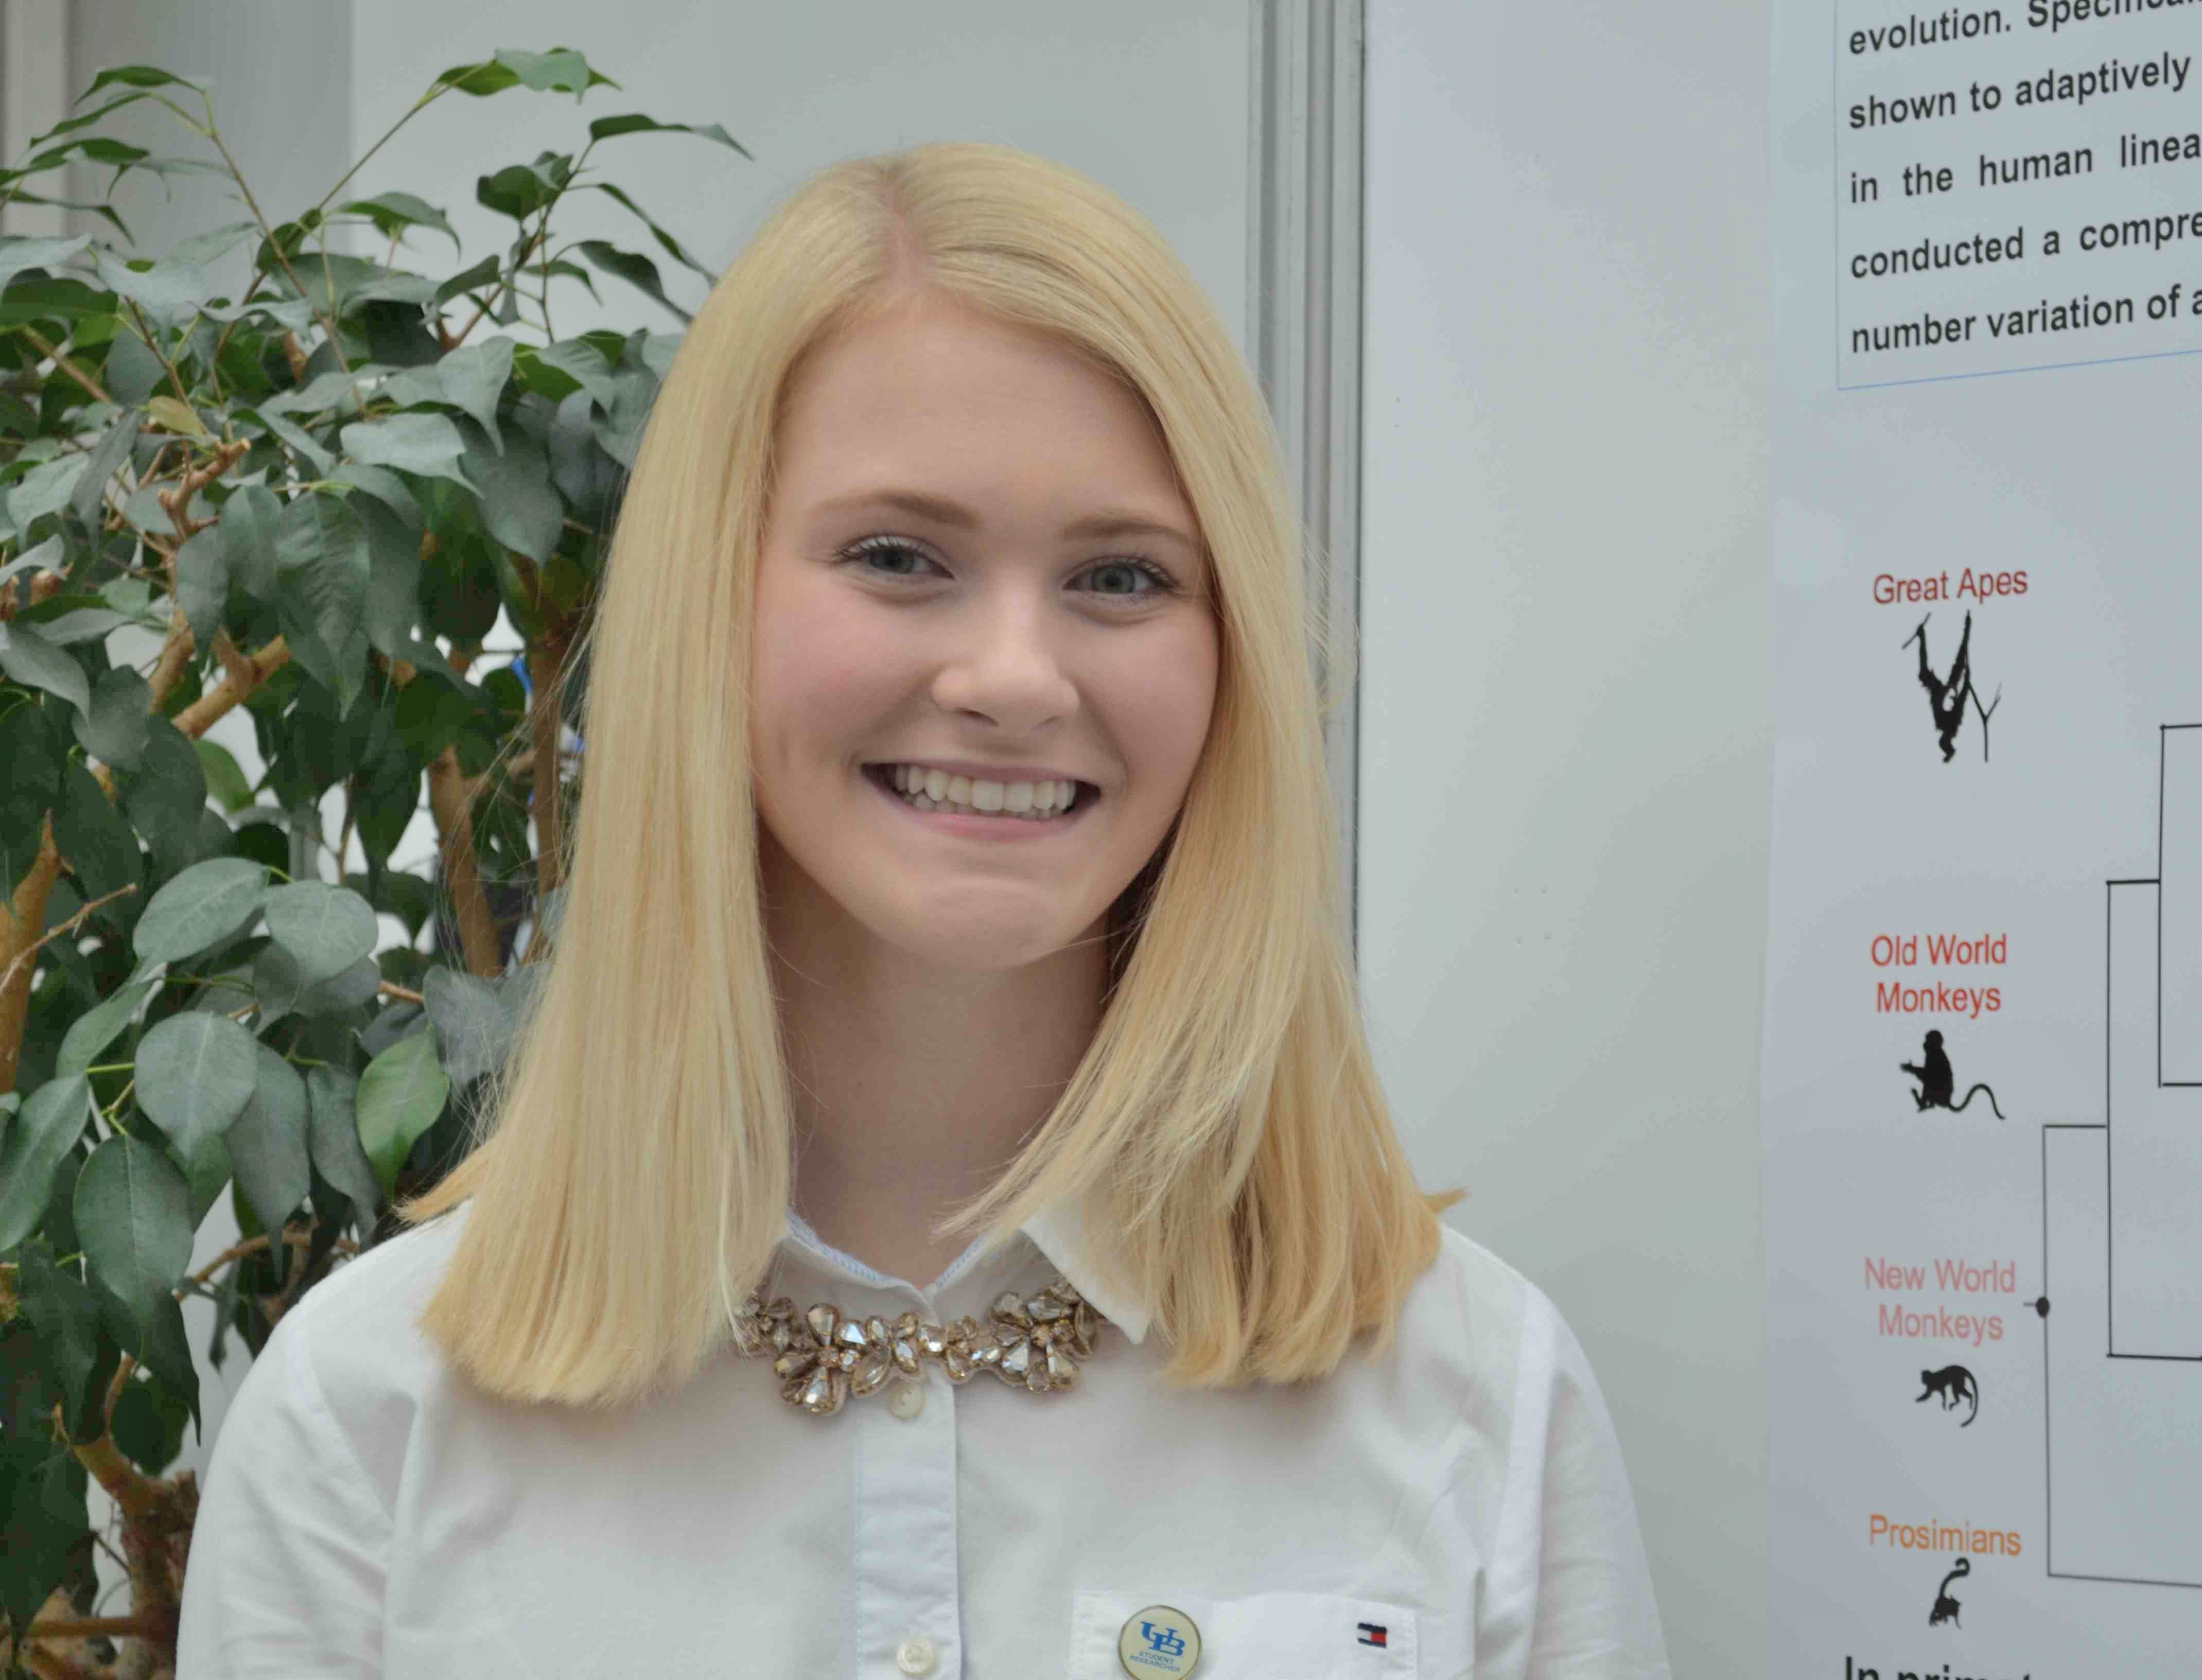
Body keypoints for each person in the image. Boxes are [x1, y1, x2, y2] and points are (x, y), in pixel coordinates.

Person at [174, 141, 1672, 1678]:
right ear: (711, 605)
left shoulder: (1477, 1406)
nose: (1015, 680)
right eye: (898, 557)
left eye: (1124, 578)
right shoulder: (369, 1432)